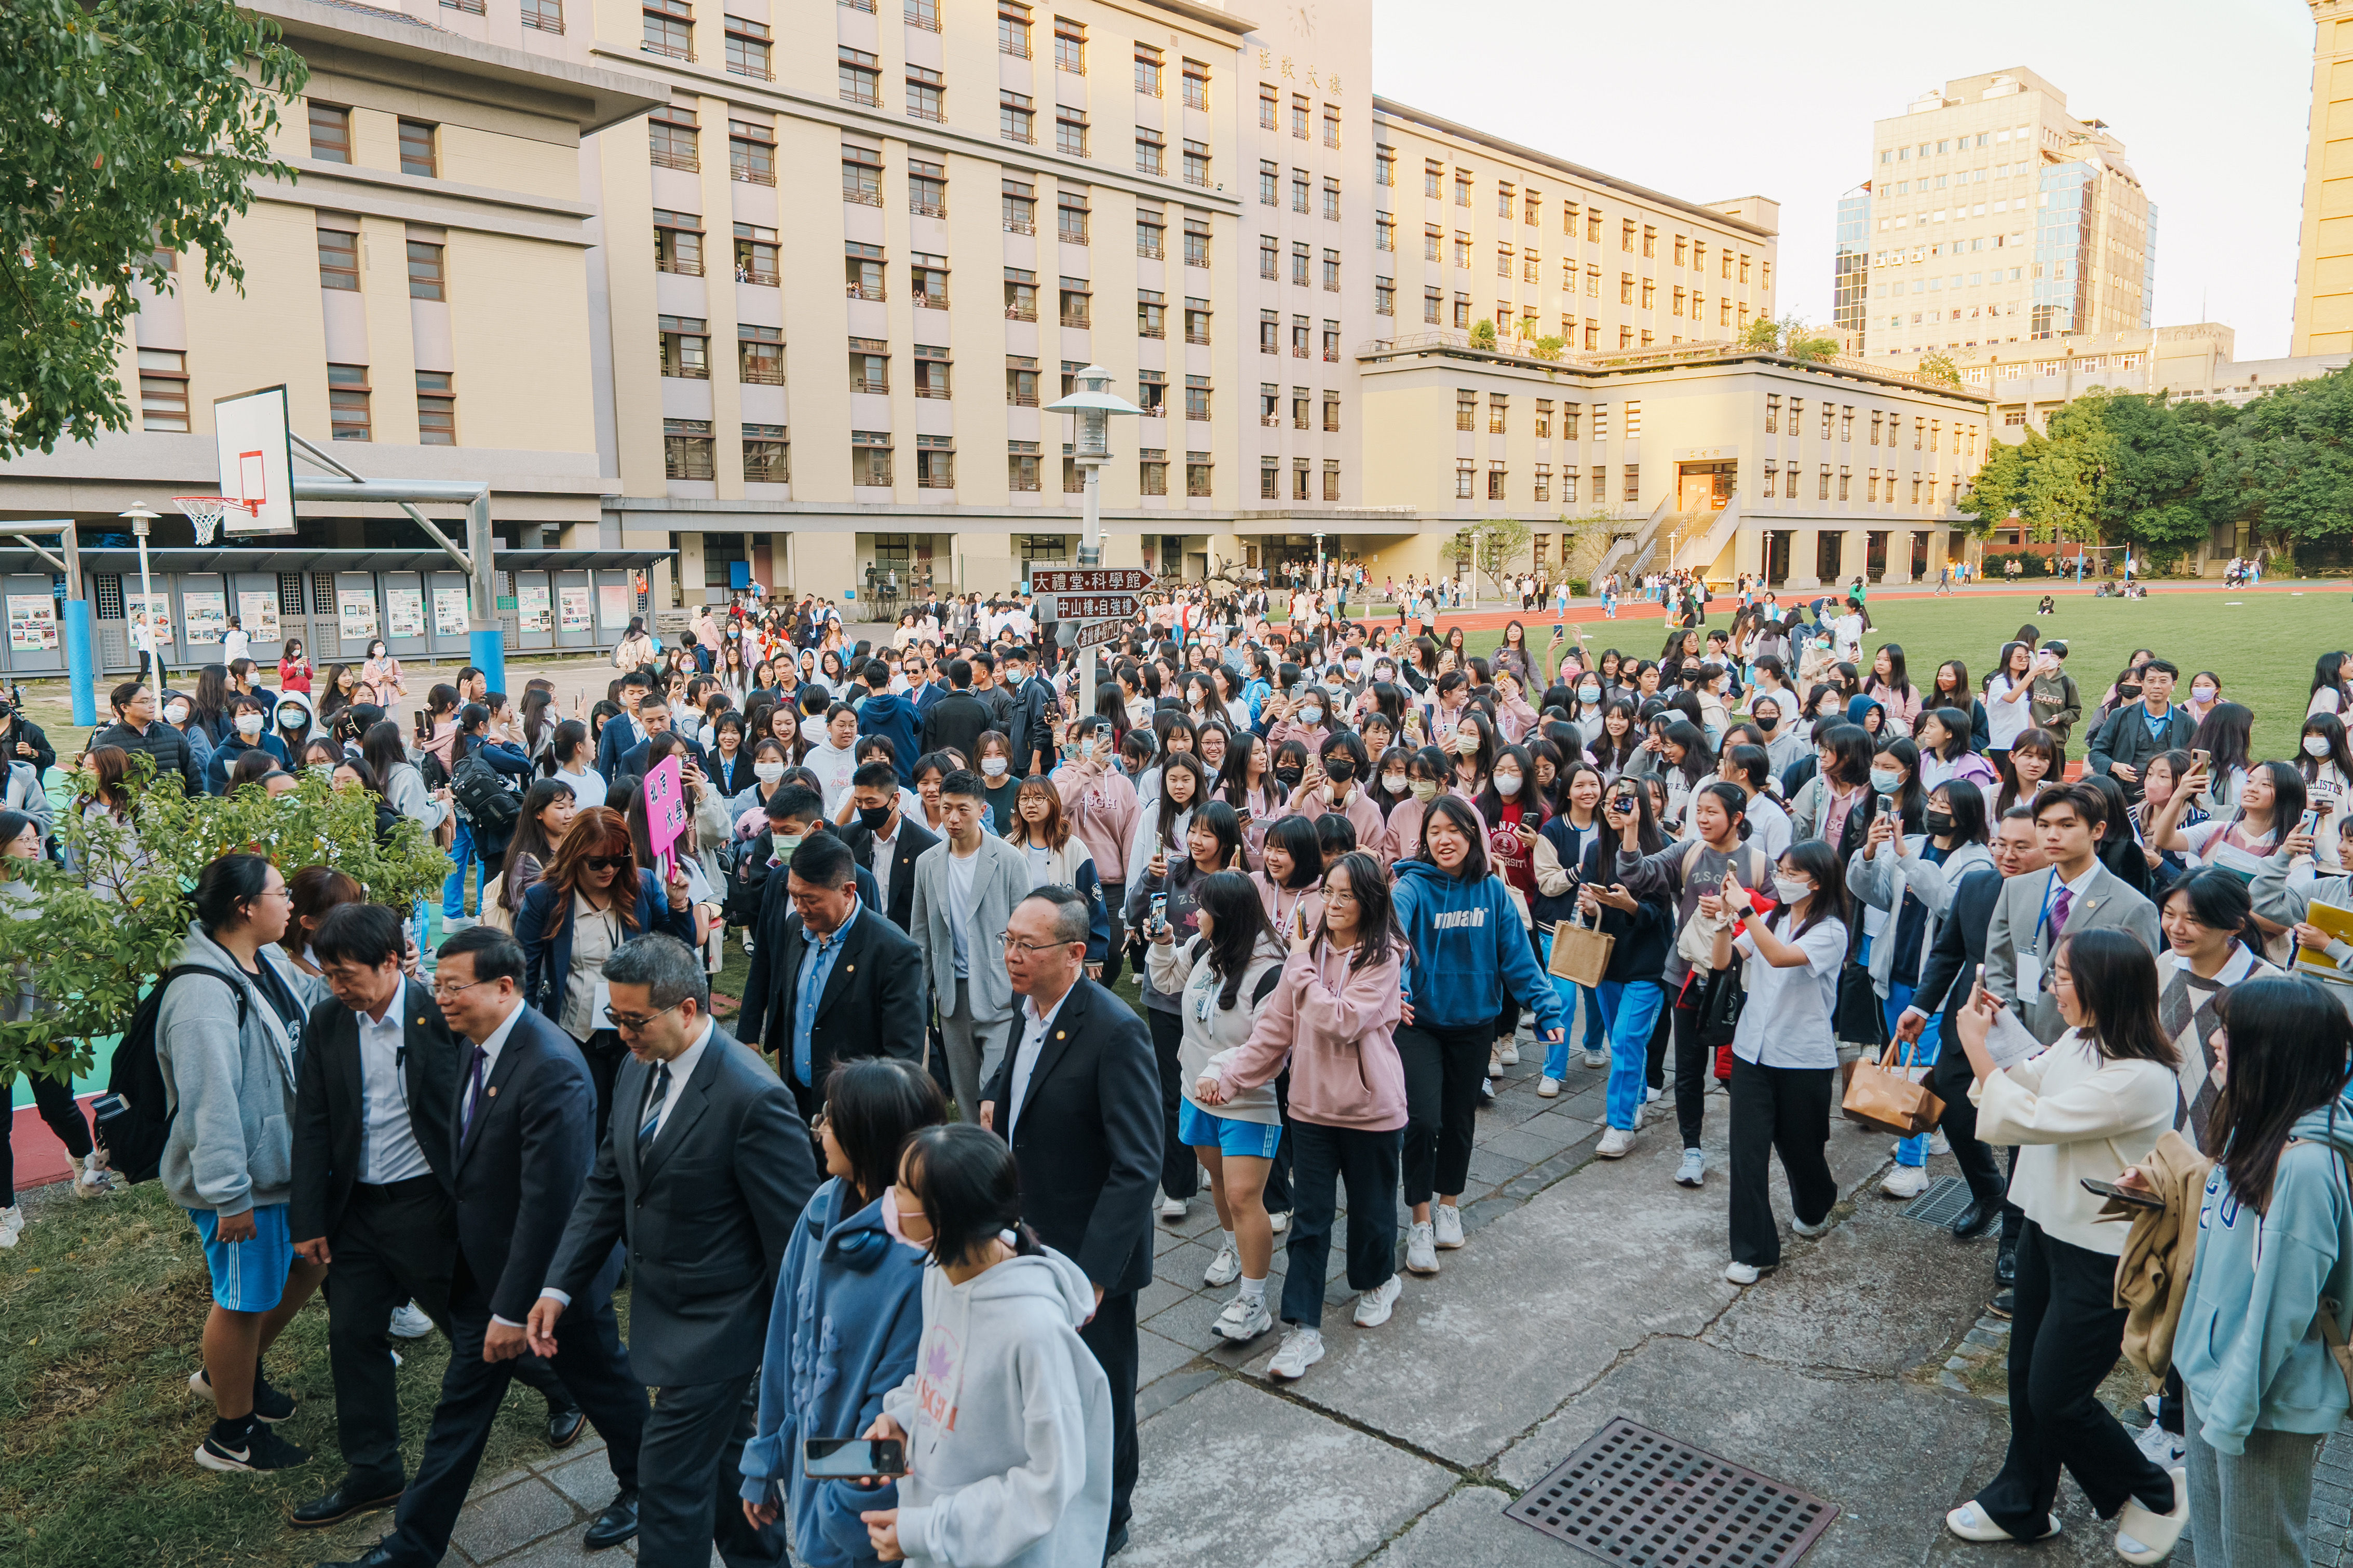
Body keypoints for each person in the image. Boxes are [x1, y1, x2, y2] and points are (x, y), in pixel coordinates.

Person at [318, 928, 647, 1568]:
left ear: (503, 988)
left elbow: (548, 1206)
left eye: (452, 987)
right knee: (459, 1416)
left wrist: (511, 1312)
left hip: (552, 1285)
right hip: (488, 1274)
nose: (438, 999)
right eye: (436, 985)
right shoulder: (477, 1044)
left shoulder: (549, 1066)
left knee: (607, 1386)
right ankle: (412, 1549)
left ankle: (651, 1485)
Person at [286, 904, 589, 1530]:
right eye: (329, 974)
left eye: (347, 974)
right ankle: (374, 1471)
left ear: (392, 963)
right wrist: (307, 1217)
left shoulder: (444, 1017)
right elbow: (313, 1121)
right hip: (355, 1213)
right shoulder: (326, 1024)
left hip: (429, 1203)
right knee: (352, 1336)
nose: (338, 987)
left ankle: (564, 1389)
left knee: (471, 1332)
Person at [529, 934, 814, 1568]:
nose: (622, 1034)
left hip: (724, 1330)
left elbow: (793, 1241)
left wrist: (786, 1357)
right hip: (666, 1313)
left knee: (666, 1484)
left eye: (634, 1020)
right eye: (615, 1016)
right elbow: (608, 1182)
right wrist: (558, 1286)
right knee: (725, 1474)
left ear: (687, 1009)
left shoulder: (753, 1098)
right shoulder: (638, 1066)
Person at [1944, 929, 2187, 1559]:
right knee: (2025, 1377)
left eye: (2063, 975)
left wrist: (1975, 1044)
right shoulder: (2082, 1041)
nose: (2053, 984)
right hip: (2048, 1227)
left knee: (2056, 1396)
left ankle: (2154, 1492)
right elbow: (2022, 1084)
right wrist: (1992, 1040)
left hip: (2104, 1254)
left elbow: (2030, 1120)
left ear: (2102, 987)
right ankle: (2021, 1503)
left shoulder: (2142, 1076)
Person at [977, 886, 1157, 1557]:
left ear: (1076, 953)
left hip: (1088, 1254)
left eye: (1028, 945)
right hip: (1030, 1236)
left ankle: (1110, 1517)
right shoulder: (1029, 1010)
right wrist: (995, 1100)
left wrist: (1095, 1275)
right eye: (1009, 941)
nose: (1013, 956)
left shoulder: (1116, 1030)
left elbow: (1138, 1164)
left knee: (1102, 1390)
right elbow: (1012, 1078)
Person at [851, 1123, 1114, 1567]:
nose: (890, 1198)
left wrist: (926, 1531)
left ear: (945, 1214)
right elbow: (941, 1377)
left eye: (903, 1188)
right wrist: (904, 1421)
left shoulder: (1035, 1330)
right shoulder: (941, 1271)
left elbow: (1048, 1482)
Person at [1201, 851, 1407, 1380]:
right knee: (1309, 1222)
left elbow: (1341, 1021)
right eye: (1328, 894)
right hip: (1311, 1111)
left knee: (1370, 1211)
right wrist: (1229, 1077)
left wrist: (1298, 968)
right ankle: (1303, 1331)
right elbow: (1273, 1032)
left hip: (1371, 1111)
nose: (1334, 904)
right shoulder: (1306, 955)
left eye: (1345, 895)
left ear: (1369, 900)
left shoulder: (1383, 959)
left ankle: (1378, 1278)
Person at [2173, 977, 2353, 1568]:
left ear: (2271, 1049)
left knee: (2259, 1556)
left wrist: (2230, 1413)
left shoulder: (2305, 1164)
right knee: (2217, 1550)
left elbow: (2281, 1309)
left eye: (2228, 1031)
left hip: (2258, 1403)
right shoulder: (2255, 1123)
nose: (2215, 1040)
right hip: (2213, 1379)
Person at [737, 1058, 944, 1565]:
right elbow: (783, 1344)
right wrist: (765, 1459)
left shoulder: (915, 1260)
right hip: (813, 1499)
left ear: (870, 1138)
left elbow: (894, 1417)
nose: (821, 1128)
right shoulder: (820, 1208)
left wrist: (840, 1516)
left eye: (833, 1117)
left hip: (863, 1532)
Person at [158, 854, 328, 1472]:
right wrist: (229, 1195)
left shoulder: (267, 960)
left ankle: (231, 1371)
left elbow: (315, 999)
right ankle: (231, 1436)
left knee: (308, 1264)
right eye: (281, 894)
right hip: (242, 1183)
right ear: (244, 908)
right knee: (242, 1300)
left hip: (282, 1167)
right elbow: (209, 1103)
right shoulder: (202, 992)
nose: (290, 904)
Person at [1390, 796, 1566, 1273]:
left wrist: (1546, 1008)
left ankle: (1449, 1205)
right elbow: (1395, 944)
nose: (1444, 840)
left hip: (1474, 1025)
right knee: (1422, 1121)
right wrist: (1400, 990)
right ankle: (1420, 1221)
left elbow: (1518, 958)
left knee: (1459, 1120)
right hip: (1419, 1023)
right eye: (1435, 831)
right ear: (1424, 839)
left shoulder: (1492, 891)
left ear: (1473, 837)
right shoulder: (1410, 888)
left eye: (1455, 831)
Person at [1899, 807, 2052, 1265]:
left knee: (2025, 1131)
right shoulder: (1978, 885)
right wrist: (1921, 1006)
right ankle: (1988, 1188)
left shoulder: (2055, 895)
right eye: (2001, 843)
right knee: (1953, 1103)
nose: (2008, 854)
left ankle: (2014, 1235)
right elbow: (1948, 953)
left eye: (2022, 846)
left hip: (2034, 1027)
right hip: (1971, 1020)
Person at [1147, 870, 1288, 1342]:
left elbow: (1272, 1048)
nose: (1195, 915)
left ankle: (1254, 1299)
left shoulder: (1271, 970)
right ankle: (1232, 1248)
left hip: (1248, 1101)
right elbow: (1166, 981)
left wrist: (1222, 1075)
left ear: (1226, 915)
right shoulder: (1204, 950)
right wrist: (1165, 943)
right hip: (1197, 1094)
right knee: (1222, 1186)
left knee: (1245, 1196)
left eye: (1204, 908)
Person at [1612, 781, 1773, 1189]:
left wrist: (1738, 906)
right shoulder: (1689, 851)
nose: (1701, 818)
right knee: (1687, 1069)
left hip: (1738, 981)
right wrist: (1630, 830)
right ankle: (1692, 1149)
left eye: (1712, 812)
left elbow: (1776, 916)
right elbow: (1636, 873)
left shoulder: (1758, 862)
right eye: (1698, 810)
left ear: (1737, 818)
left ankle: (1750, 1144)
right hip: (1684, 976)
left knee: (1738, 1069)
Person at [1711, 840, 1850, 1285]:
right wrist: (1721, 924)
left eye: (1792, 873)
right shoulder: (1770, 918)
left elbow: (1780, 956)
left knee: (1801, 1148)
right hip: (1752, 1051)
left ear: (1818, 880)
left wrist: (1746, 909)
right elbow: (1726, 961)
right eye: (1782, 871)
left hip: (1803, 1058)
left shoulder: (1830, 930)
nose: (1783, 879)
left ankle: (1816, 1201)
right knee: (1747, 1153)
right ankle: (1754, 1250)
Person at [1850, 779, 1997, 1199]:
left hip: (1937, 985)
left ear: (1966, 815)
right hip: (1895, 969)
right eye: (1933, 800)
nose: (1935, 809)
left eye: (1945, 805)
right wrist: (1870, 853)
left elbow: (1952, 907)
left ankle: (1910, 1164)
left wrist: (1904, 860)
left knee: (1916, 1073)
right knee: (1903, 1066)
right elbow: (1872, 893)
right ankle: (1932, 1132)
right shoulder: (1912, 842)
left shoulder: (1977, 864)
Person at [513, 806, 699, 1138]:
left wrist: (679, 904)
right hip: (575, 1033)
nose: (610, 869)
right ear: (574, 855)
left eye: (619, 859)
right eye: (598, 862)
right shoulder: (544, 898)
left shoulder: (642, 886)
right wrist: (527, 1039)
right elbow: (524, 974)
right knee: (584, 1122)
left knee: (636, 1122)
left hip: (638, 1032)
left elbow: (679, 949)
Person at [736, 832, 926, 1123]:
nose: (799, 907)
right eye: (794, 895)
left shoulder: (894, 952)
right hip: (797, 1103)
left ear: (848, 891)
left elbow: (902, 1058)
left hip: (855, 1116)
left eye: (810, 899)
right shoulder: (793, 928)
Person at [1982, 783, 2162, 1046]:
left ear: (2098, 830)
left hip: (2088, 1053)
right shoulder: (2015, 889)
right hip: (2017, 1047)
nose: (2052, 836)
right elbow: (2000, 967)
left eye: (2066, 826)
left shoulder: (2133, 907)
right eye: (2043, 826)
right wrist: (2016, 1038)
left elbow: (2133, 999)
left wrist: (2071, 1050)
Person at [910, 770, 1030, 1122]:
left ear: (982, 809)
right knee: (964, 1096)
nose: (953, 818)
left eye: (962, 809)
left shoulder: (1010, 861)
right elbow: (921, 937)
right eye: (946, 808)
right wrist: (919, 996)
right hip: (951, 997)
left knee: (997, 1094)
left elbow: (1026, 934)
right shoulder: (927, 863)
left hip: (1002, 993)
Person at [840, 758, 940, 935]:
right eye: (859, 802)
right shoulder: (848, 838)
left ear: (895, 799)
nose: (864, 808)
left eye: (871, 802)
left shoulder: (926, 847)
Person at [93, 678, 202, 795]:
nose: (152, 706)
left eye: (152, 700)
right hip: (130, 809)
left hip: (173, 809)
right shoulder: (106, 741)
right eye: (145, 702)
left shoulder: (173, 734)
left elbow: (193, 777)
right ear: (125, 708)